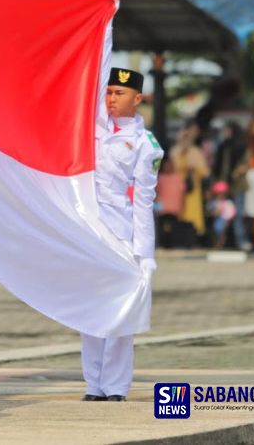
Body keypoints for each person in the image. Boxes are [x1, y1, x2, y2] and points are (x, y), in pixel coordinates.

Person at [84, 67, 163, 402]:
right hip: (90, 228)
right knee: (90, 309)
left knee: (120, 310)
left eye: (119, 93)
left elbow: (144, 201)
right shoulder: (94, 130)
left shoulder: (147, 145)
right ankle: (93, 384)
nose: (111, 99)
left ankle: (114, 386)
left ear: (138, 98)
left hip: (121, 231)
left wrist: (144, 254)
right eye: (109, 92)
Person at [208, 181, 236, 249]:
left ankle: (220, 244)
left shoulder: (228, 202)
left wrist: (228, 218)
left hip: (224, 221)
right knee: (214, 232)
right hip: (215, 221)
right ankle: (216, 244)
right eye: (219, 194)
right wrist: (214, 213)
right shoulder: (213, 202)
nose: (220, 195)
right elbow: (210, 210)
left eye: (222, 194)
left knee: (223, 233)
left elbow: (232, 212)